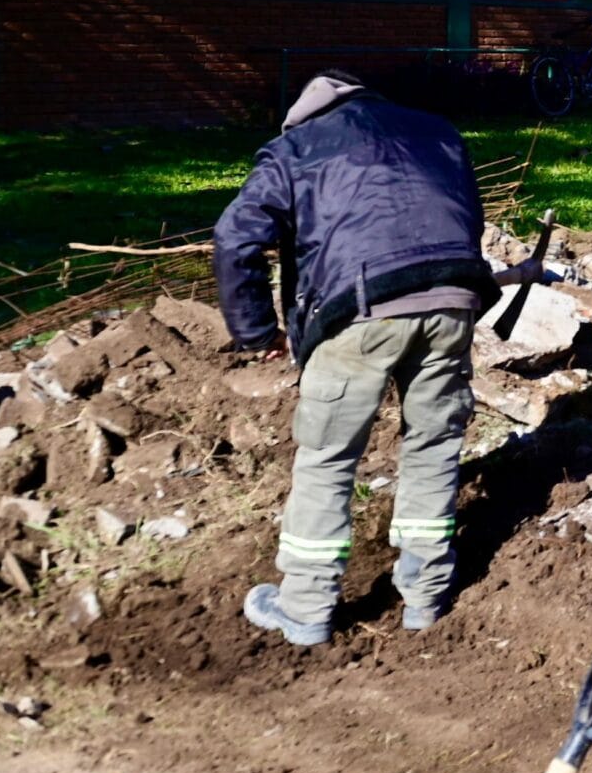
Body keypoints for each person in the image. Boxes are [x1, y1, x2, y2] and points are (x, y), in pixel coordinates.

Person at [213, 69, 512, 648]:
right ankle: (426, 594)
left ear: (305, 111)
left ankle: (305, 608)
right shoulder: (435, 131)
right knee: (434, 443)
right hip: (452, 298)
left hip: (360, 310)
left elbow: (236, 239)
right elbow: (465, 218)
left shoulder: (294, 148)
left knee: (327, 456)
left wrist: (256, 333)